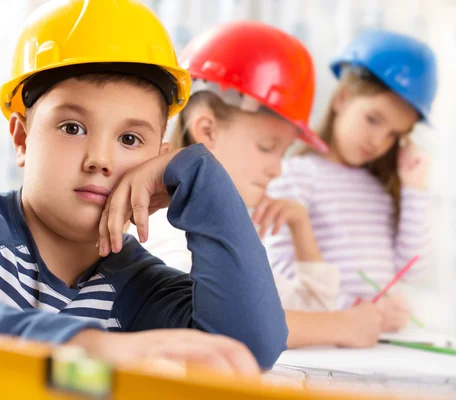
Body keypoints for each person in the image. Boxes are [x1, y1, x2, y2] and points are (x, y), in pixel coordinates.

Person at [0, 0, 288, 373]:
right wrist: (90, 346)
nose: (99, 159)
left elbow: (248, 350)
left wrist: (198, 174)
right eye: (72, 126)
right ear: (22, 139)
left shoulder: (141, 287)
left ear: (158, 159)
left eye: (130, 140)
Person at [129, 21, 383, 348]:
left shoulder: (229, 231)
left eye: (284, 151)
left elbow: (309, 308)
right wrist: (339, 327)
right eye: (267, 147)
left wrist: (300, 225)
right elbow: (215, 320)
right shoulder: (166, 225)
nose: (277, 170)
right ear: (206, 130)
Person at [262, 30, 437, 332]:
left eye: (394, 134)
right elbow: (279, 273)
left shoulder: (380, 188)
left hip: (374, 341)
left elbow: (412, 268)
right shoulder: (297, 174)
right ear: (341, 99)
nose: (378, 141)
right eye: (373, 119)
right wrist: (353, 310)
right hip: (325, 337)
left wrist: (414, 188)